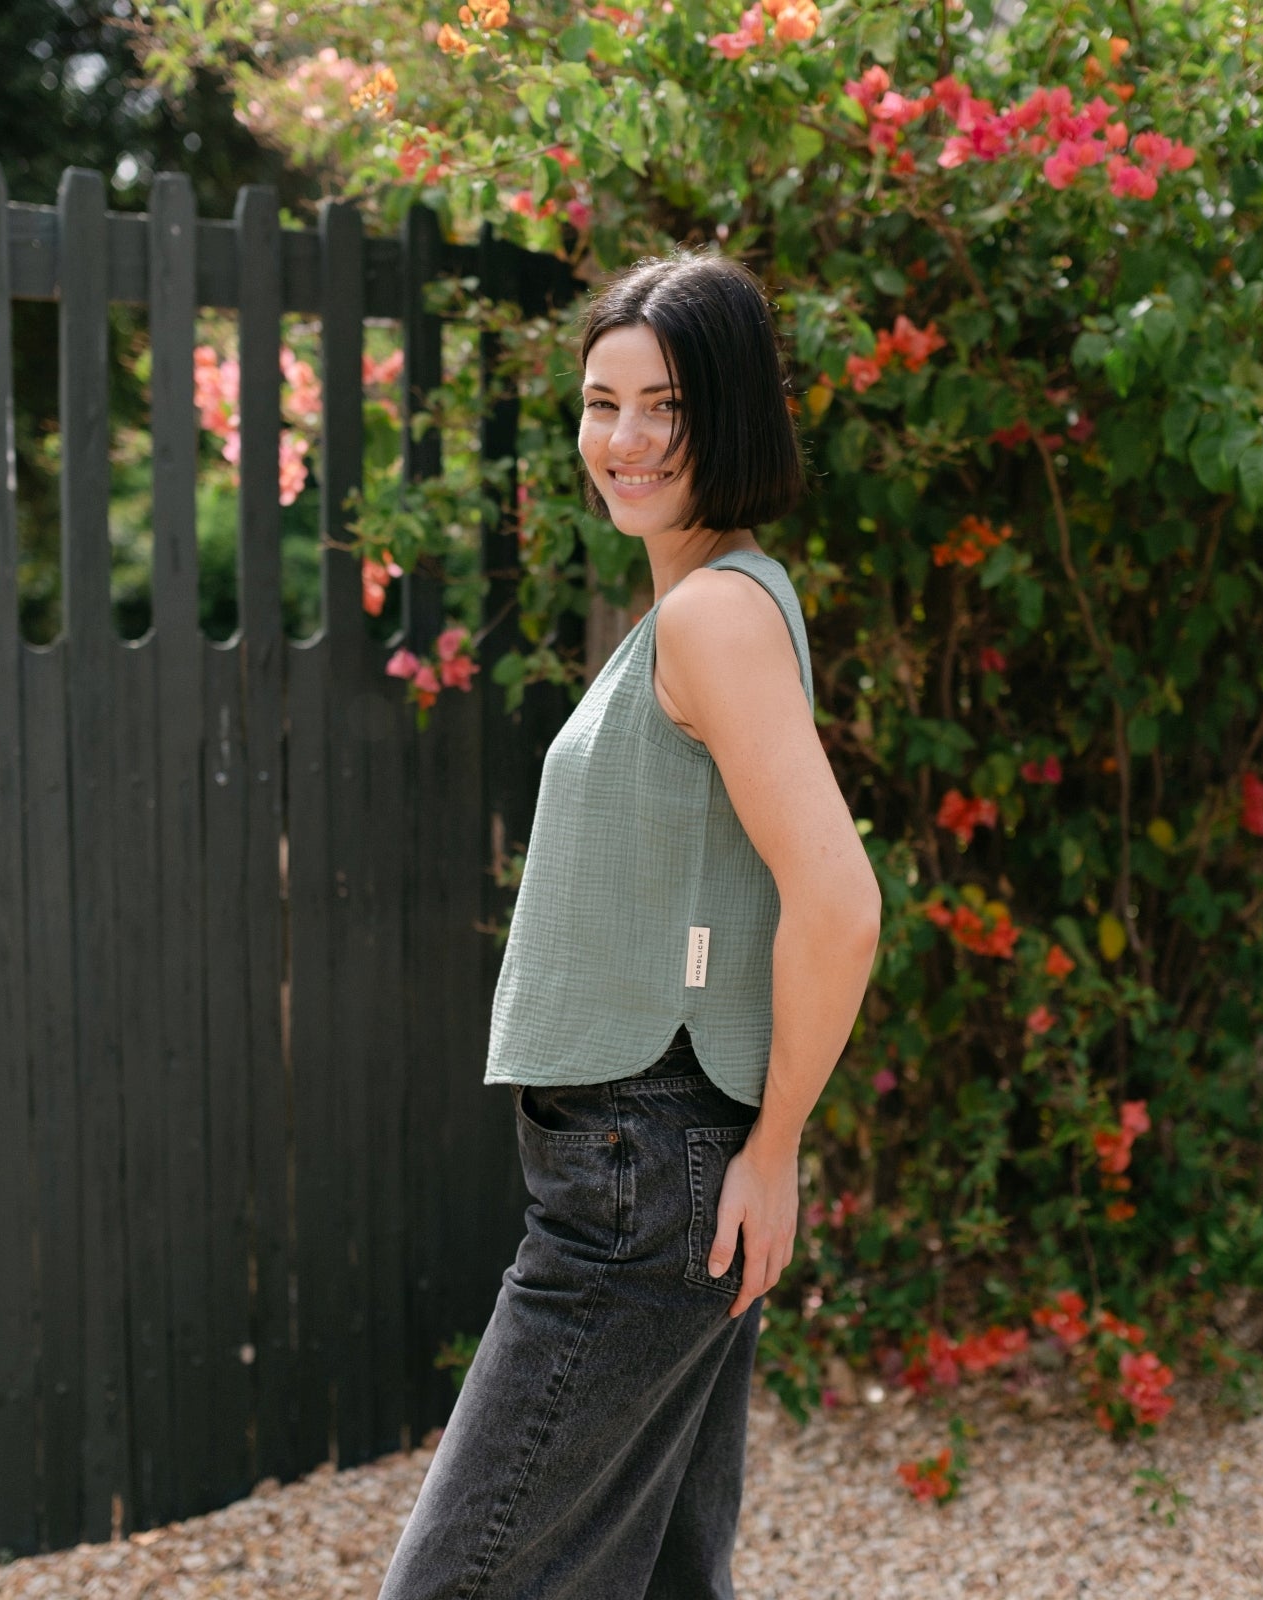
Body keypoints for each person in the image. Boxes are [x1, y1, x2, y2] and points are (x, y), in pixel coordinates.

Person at [378, 250, 880, 1600]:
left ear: (732, 415)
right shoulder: (720, 599)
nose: (627, 439)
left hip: (643, 1166)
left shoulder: (713, 615)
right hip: (658, 1159)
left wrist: (776, 1148)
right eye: (604, 404)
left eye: (667, 405)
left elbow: (840, 902)